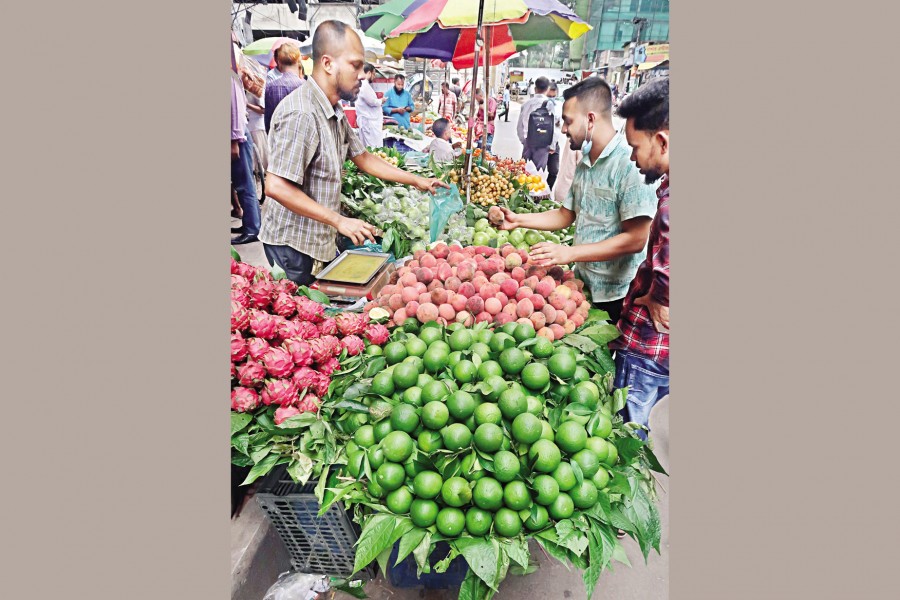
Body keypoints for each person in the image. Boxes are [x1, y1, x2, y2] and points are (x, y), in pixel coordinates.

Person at [259, 21, 447, 285]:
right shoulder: (301, 113)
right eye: (355, 65)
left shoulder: (333, 110)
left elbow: (364, 158)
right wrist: (339, 220)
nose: (363, 75)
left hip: (318, 240)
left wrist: (418, 181)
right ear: (327, 63)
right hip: (294, 246)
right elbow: (276, 186)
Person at [499, 76, 658, 324]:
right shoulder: (585, 159)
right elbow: (566, 214)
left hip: (617, 293)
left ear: (591, 119)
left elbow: (637, 238)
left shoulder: (629, 163)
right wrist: (518, 220)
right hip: (582, 283)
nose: (563, 129)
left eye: (568, 121)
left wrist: (569, 252)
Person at [609, 78, 670, 440]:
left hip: (650, 345)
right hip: (661, 351)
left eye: (635, 147)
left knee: (630, 437)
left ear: (661, 141)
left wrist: (657, 297)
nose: (632, 157)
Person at [231, 55, 261, 245]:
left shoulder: (230, 78)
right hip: (237, 137)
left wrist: (234, 140)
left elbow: (235, 110)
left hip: (237, 138)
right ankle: (250, 224)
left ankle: (252, 229)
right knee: (242, 183)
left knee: (245, 184)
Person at [264, 43, 304, 133]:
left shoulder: (271, 87)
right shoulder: (307, 87)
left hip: (280, 142)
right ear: (298, 60)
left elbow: (269, 125)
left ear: (278, 61)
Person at [517, 76, 554, 170]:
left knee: (523, 172)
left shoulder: (526, 104)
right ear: (548, 89)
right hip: (543, 145)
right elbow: (555, 127)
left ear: (535, 88)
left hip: (528, 141)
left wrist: (524, 141)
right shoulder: (550, 104)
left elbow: (519, 127)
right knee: (538, 174)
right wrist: (552, 144)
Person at [355, 63, 383, 148]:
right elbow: (372, 102)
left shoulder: (364, 85)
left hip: (370, 122)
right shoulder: (364, 85)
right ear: (369, 73)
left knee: (371, 147)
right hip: (369, 123)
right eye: (374, 74)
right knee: (372, 148)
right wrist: (381, 101)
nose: (374, 77)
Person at [246, 89, 267, 173]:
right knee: (252, 157)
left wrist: (247, 104)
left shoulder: (255, 90)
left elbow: (263, 110)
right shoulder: (241, 89)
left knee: (262, 157)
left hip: (257, 127)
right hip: (247, 126)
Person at [470, 88, 498, 152]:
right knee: (478, 150)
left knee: (486, 151)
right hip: (479, 130)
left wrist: (483, 108)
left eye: (477, 98)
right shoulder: (478, 104)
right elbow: (475, 116)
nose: (477, 100)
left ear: (480, 96)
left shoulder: (491, 101)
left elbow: (491, 114)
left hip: (488, 129)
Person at [546, 82, 562, 189]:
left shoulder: (559, 108)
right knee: (536, 172)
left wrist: (553, 146)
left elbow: (558, 127)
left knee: (554, 171)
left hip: (554, 145)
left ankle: (547, 191)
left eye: (553, 96)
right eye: (549, 96)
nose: (551, 99)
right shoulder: (538, 107)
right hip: (541, 145)